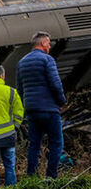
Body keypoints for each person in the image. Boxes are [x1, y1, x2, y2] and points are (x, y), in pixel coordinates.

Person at [16, 31, 66, 178]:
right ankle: (51, 177)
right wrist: (61, 101)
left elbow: (20, 88)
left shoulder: (22, 62)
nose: (49, 46)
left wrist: (28, 104)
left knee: (34, 144)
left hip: (32, 110)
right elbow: (56, 84)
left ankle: (32, 176)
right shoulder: (47, 60)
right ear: (43, 43)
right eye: (49, 43)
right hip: (49, 109)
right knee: (56, 143)